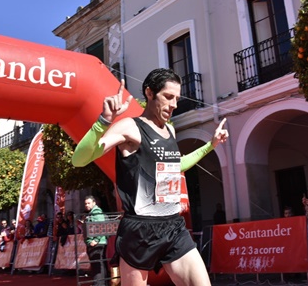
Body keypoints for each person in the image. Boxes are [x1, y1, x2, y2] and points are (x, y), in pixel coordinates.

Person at [71, 69, 229, 286]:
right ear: (149, 93)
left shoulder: (170, 131)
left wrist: (210, 145)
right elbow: (79, 160)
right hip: (140, 230)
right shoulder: (130, 127)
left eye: (177, 98)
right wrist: (103, 121)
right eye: (168, 96)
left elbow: (177, 166)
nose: (174, 104)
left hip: (173, 226)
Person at [82, 195, 107, 277]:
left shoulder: (96, 212)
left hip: (97, 243)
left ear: (94, 203)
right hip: (96, 242)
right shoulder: (92, 213)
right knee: (98, 265)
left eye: (89, 203)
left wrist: (96, 240)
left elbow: (101, 226)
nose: (87, 205)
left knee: (97, 266)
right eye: (85, 203)